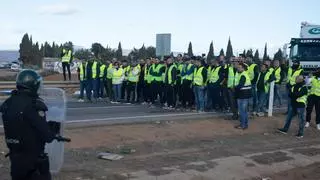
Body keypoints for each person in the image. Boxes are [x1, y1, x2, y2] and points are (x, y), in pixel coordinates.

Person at [0, 69, 69, 180]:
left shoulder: (8, 103)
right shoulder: (34, 105)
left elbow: (22, 124)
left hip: (16, 159)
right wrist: (52, 132)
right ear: (33, 86)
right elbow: (47, 136)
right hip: (34, 162)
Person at [234, 63, 252, 129]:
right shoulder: (242, 74)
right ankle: (245, 124)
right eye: (238, 67)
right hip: (244, 95)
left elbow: (240, 85)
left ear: (243, 68)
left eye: (239, 67)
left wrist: (235, 87)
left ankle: (243, 125)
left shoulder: (243, 75)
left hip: (243, 95)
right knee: (244, 111)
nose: (238, 68)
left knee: (242, 111)